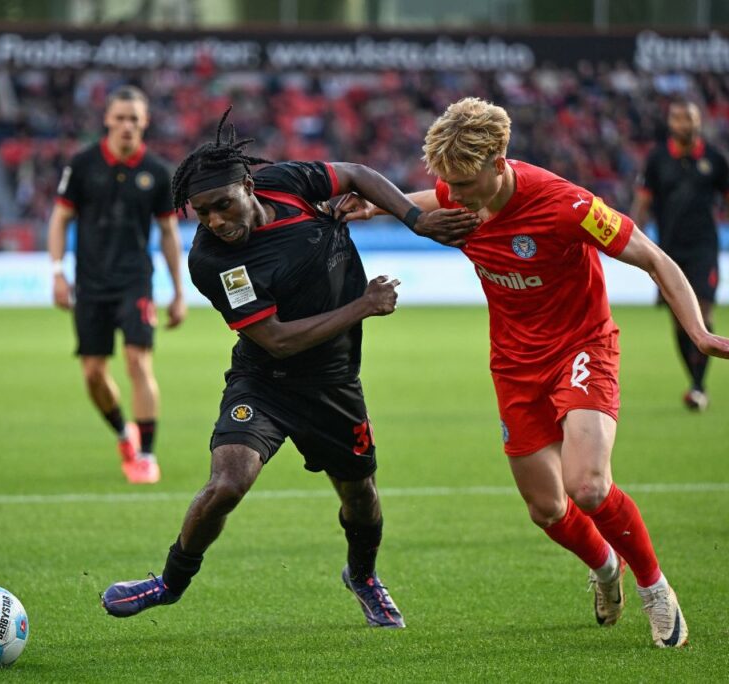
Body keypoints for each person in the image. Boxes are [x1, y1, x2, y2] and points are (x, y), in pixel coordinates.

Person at [347, 98, 729, 648]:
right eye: (450, 186)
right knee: (546, 508)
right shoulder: (459, 189)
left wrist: (700, 332)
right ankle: (604, 566)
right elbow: (432, 196)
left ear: (499, 161)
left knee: (587, 486)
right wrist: (379, 207)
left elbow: (654, 257)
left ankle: (655, 590)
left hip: (581, 348)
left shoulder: (567, 204)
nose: (456, 199)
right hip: (514, 367)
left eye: (465, 185)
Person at [100, 109, 477, 628]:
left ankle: (362, 575)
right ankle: (169, 582)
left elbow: (357, 174)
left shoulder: (288, 183)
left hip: (334, 383)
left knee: (360, 496)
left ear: (249, 186)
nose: (213, 222)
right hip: (266, 381)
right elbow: (275, 340)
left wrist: (417, 221)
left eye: (222, 205)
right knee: (227, 483)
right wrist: (362, 306)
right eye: (201, 213)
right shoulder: (213, 261)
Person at [47, 85, 187, 485]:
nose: (127, 125)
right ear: (107, 120)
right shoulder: (83, 165)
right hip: (90, 284)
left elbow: (168, 234)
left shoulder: (158, 172)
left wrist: (178, 292)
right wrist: (57, 271)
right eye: (120, 117)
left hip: (135, 281)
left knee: (138, 361)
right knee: (93, 373)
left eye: (134, 119)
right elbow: (59, 220)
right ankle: (124, 433)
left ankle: (145, 453)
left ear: (144, 123)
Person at [631, 99, 729, 411]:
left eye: (688, 118)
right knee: (680, 323)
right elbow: (641, 204)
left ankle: (697, 386)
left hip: (704, 248)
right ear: (670, 123)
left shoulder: (717, 160)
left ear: (698, 121)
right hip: (667, 252)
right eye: (677, 118)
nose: (682, 123)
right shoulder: (657, 159)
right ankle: (694, 379)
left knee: (703, 317)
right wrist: (629, 243)